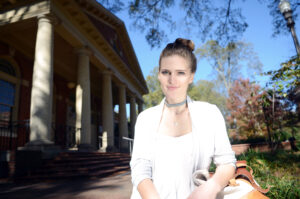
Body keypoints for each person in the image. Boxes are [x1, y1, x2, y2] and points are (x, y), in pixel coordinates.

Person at [130, 38, 236, 199]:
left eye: (180, 73)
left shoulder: (210, 114)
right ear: (159, 75)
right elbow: (139, 168)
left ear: (191, 76)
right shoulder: (146, 118)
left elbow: (227, 162)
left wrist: (211, 188)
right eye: (166, 72)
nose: (172, 80)